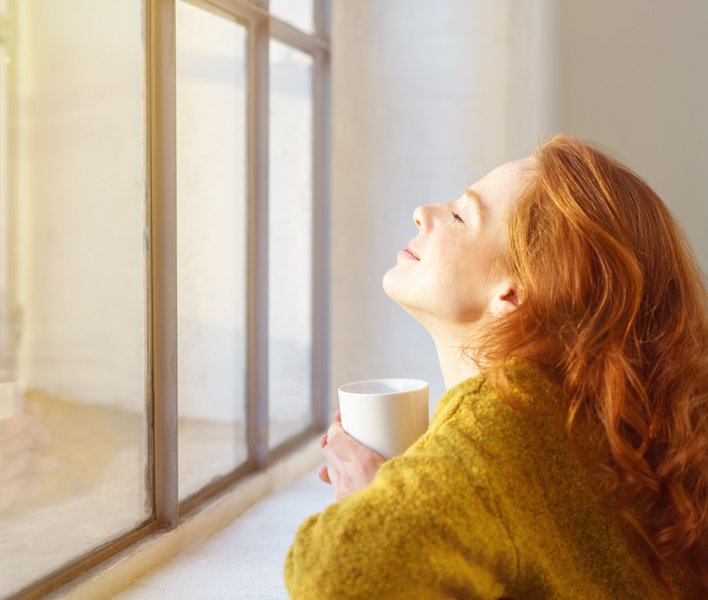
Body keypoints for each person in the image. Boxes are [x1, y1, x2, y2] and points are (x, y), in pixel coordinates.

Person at [285, 134, 707, 599]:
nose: (424, 212)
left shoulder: (506, 422)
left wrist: (371, 504)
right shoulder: (585, 415)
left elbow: (336, 575)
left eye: (462, 215)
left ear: (513, 292)